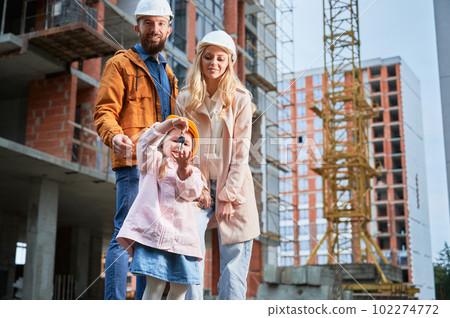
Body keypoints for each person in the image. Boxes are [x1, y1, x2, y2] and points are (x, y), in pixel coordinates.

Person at [94, 0, 177, 300]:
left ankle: (144, 305)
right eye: (148, 23)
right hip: (132, 163)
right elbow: (104, 111)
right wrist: (114, 136)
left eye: (160, 24)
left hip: (161, 170)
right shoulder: (120, 64)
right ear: (137, 26)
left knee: (151, 241)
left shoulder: (169, 75)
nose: (154, 30)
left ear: (169, 29)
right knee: (125, 235)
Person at [175, 30, 260, 300]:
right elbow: (182, 147)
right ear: (200, 59)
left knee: (234, 264)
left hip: (234, 186)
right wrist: (195, 185)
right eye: (208, 57)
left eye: (221, 59)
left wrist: (227, 195)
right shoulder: (185, 99)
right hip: (195, 186)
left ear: (229, 62)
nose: (214, 63)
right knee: (189, 252)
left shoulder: (241, 99)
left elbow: (240, 151)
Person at [116, 115, 203, 300]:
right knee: (155, 286)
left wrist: (184, 168)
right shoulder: (152, 162)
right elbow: (144, 143)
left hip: (183, 242)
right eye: (175, 139)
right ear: (162, 144)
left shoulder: (193, 172)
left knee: (180, 290)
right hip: (154, 239)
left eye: (186, 143)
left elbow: (192, 192)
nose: (180, 145)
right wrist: (169, 124)